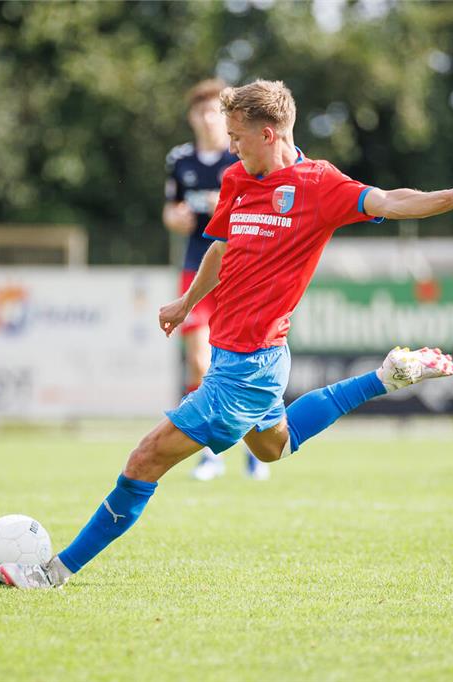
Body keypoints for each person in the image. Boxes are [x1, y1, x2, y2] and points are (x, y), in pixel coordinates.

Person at [0, 79, 453, 589]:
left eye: (237, 136)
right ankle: (383, 378)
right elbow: (220, 249)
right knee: (273, 447)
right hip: (259, 356)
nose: (230, 146)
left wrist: (450, 198)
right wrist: (187, 304)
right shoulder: (237, 178)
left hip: (248, 366)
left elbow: (389, 200)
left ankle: (53, 574)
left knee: (145, 459)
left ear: (270, 133)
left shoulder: (319, 186)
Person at [165, 78, 269, 482]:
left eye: (215, 112)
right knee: (199, 361)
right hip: (197, 266)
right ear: (192, 116)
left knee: (245, 361)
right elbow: (170, 210)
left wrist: (219, 206)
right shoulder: (180, 159)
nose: (209, 119)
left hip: (238, 270)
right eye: (202, 111)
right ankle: (211, 452)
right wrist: (176, 218)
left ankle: (256, 447)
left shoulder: (239, 154)